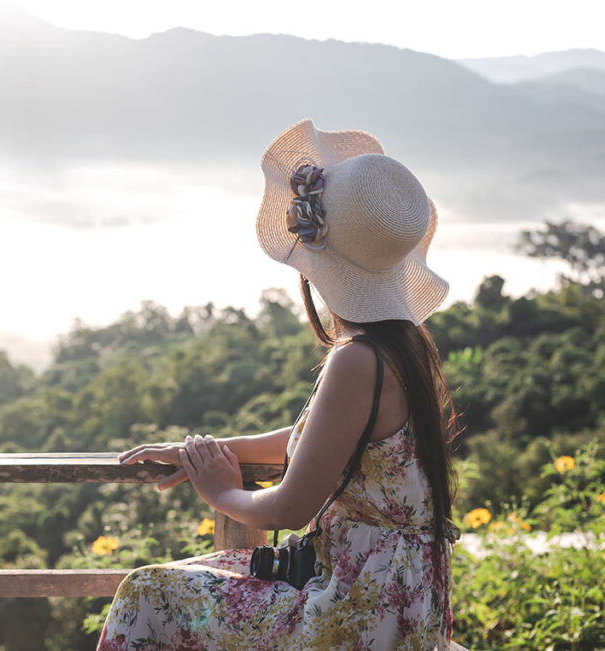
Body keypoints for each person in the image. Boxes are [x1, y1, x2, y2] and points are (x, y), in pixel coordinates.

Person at [96, 119, 461, 650]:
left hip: (352, 608)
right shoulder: (405, 347)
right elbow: (317, 441)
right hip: (401, 598)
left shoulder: (357, 360)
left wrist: (220, 490)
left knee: (147, 592)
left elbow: (289, 508)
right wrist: (207, 452)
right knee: (197, 576)